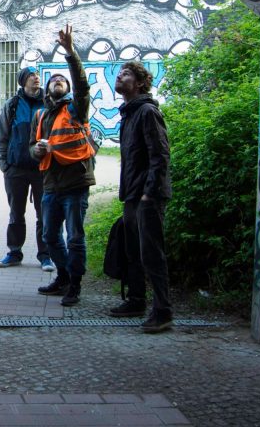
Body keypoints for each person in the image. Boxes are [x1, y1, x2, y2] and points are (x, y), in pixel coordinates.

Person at [31, 24, 96, 306]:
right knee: (49, 235)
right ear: (47, 89)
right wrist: (37, 149)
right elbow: (32, 150)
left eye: (62, 80)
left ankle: (75, 285)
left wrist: (70, 52)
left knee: (75, 238)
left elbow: (82, 85)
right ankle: (64, 276)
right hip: (51, 184)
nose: (58, 81)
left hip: (75, 183)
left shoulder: (76, 108)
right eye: (53, 80)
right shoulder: (42, 115)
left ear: (67, 88)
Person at [109, 60, 173, 333]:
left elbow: (160, 155)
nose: (119, 77)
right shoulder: (129, 114)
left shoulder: (147, 112)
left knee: (152, 255)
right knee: (133, 251)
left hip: (147, 197)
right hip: (133, 195)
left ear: (139, 83)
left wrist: (149, 194)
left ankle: (163, 312)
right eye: (120, 74)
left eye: (125, 74)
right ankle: (136, 301)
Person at [0, 65, 51, 271]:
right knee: (16, 213)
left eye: (37, 75)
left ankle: (45, 255)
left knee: (44, 213)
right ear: (23, 81)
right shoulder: (12, 105)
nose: (36, 78)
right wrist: (4, 165)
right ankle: (14, 252)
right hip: (15, 170)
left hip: (42, 169)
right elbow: (2, 137)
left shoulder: (48, 103)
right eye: (31, 76)